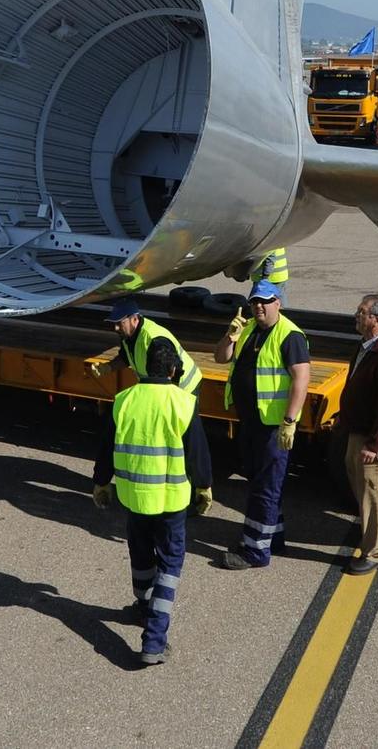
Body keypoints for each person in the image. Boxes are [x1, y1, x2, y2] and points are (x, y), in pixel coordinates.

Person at [93, 336, 213, 666]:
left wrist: (101, 483)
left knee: (141, 556)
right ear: (174, 369)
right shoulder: (184, 403)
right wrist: (204, 488)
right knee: (170, 566)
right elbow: (197, 454)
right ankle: (154, 640)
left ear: (145, 367)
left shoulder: (124, 399)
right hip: (172, 501)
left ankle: (143, 608)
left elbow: (106, 448)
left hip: (134, 498)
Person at [213, 279, 311, 569]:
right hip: (252, 423)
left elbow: (301, 379)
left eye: (265, 301)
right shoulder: (249, 330)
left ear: (277, 303)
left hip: (273, 427)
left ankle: (255, 551)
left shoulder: (289, 336)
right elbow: (220, 358)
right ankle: (273, 538)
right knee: (262, 483)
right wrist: (229, 337)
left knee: (264, 488)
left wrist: (289, 421)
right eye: (255, 301)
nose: (259, 306)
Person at [337, 293, 378, 575]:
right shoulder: (365, 346)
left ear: (375, 320)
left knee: (371, 493)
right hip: (358, 431)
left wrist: (374, 444)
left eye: (361, 312)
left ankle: (375, 553)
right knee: (361, 487)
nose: (357, 315)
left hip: (373, 439)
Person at [93, 300, 200, 396]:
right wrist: (107, 367)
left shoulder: (155, 341)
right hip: (163, 388)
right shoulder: (128, 335)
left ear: (134, 319)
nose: (116, 328)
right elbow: (126, 357)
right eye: (114, 323)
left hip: (184, 388)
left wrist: (173, 397)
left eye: (120, 323)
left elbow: (173, 369)